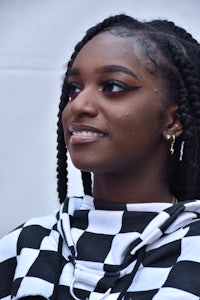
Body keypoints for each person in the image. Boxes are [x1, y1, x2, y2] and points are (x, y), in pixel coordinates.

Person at [0, 13, 200, 300]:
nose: (79, 105)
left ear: (172, 121)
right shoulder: (26, 244)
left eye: (113, 87)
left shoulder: (193, 250)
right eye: (74, 89)